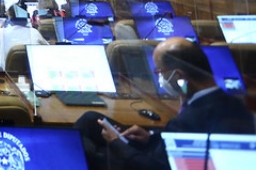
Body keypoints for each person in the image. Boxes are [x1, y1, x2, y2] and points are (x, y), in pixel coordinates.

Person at [75, 37, 255, 170]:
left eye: (159, 71)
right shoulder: (230, 100)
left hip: (152, 164)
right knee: (90, 119)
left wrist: (116, 143)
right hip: (165, 152)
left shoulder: (189, 120)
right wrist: (151, 136)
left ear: (178, 76)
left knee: (85, 150)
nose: (159, 78)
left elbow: (152, 167)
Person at [0, 5, 48, 71]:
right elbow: (46, 49)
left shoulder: (2, 33)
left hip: (8, 76)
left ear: (10, 18)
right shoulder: (34, 32)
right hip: (31, 74)